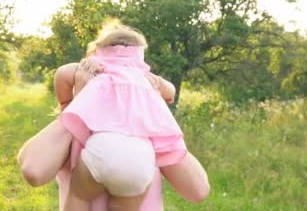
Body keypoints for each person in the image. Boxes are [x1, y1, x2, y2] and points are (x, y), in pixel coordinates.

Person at [18, 20, 210, 210]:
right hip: (135, 169)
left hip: (102, 158)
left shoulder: (144, 127)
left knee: (79, 195)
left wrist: (150, 107)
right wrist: (77, 106)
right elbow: (33, 171)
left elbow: (198, 190)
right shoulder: (76, 128)